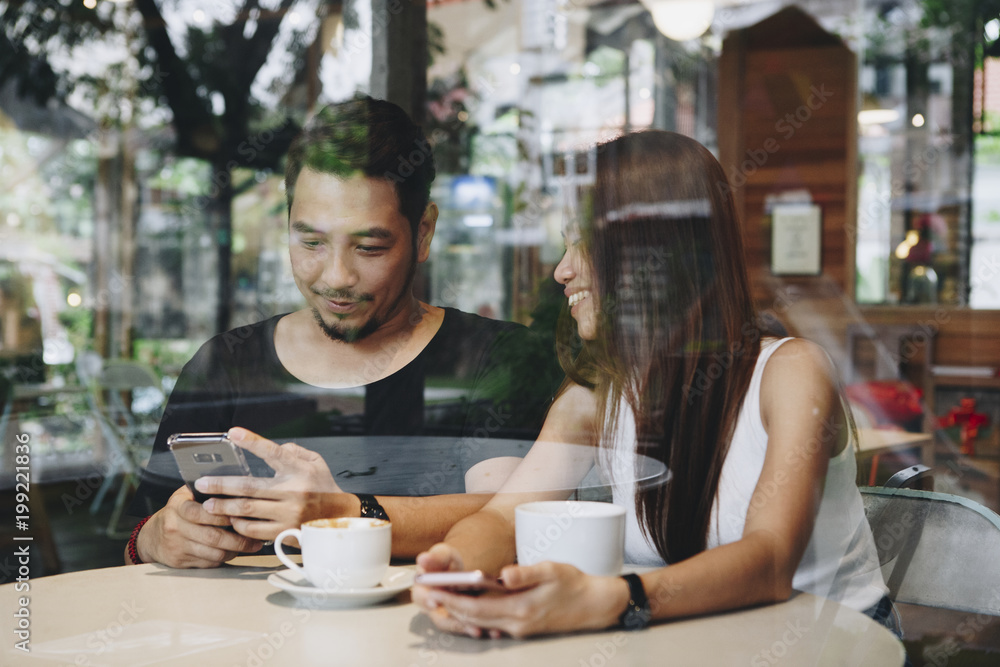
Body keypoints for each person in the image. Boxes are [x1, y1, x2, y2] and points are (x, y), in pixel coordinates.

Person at [413, 130, 893, 639]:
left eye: (584, 243)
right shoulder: (594, 398)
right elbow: (505, 519)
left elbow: (770, 563)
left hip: (834, 646)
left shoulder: (791, 373)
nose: (562, 270)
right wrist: (455, 566)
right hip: (699, 644)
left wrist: (609, 600)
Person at [125, 96, 562, 569]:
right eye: (310, 242)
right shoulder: (226, 364)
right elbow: (140, 537)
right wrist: (156, 540)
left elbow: (506, 516)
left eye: (369, 247)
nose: (336, 277)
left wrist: (340, 514)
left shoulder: (493, 357)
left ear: (424, 233)